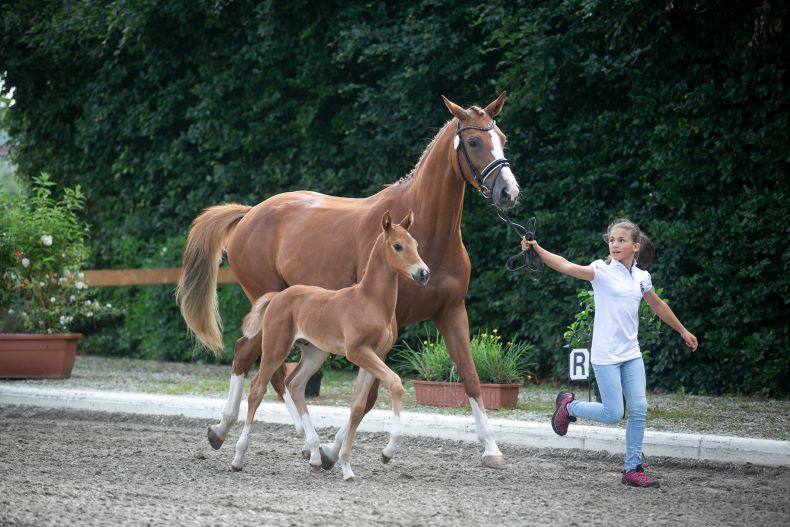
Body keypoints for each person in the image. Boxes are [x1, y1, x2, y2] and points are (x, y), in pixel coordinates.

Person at [522, 218, 698, 488]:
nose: (614, 244)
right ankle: (568, 406)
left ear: (635, 246)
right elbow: (566, 266)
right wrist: (538, 250)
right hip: (605, 355)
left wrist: (683, 331)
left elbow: (658, 305)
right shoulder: (600, 271)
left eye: (621, 240)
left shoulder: (641, 277)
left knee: (639, 409)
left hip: (631, 353)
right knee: (613, 413)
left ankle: (632, 468)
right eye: (612, 240)